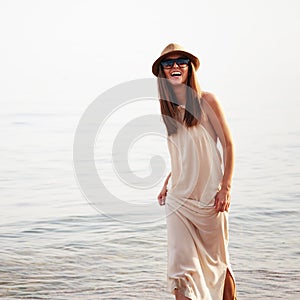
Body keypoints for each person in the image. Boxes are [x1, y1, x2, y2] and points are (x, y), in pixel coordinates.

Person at [152, 43, 237, 300]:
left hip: (209, 198)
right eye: (168, 63)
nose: (175, 66)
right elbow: (182, 154)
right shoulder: (168, 112)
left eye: (181, 62)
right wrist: (167, 181)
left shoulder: (207, 101)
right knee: (181, 270)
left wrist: (226, 188)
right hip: (179, 199)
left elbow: (228, 144)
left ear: (189, 68)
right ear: (163, 73)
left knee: (218, 264)